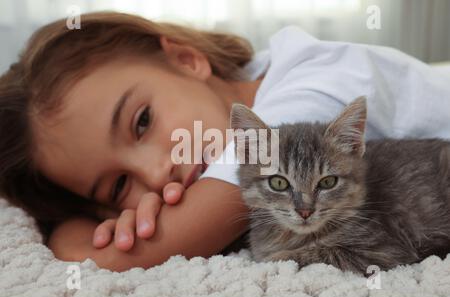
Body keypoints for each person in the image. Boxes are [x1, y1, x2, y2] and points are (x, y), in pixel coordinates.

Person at [0, 12, 449, 272]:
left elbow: (143, 250)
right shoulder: (256, 87)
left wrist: (70, 236)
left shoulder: (308, 94)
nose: (158, 171)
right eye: (119, 187)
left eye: (142, 121)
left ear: (186, 59)